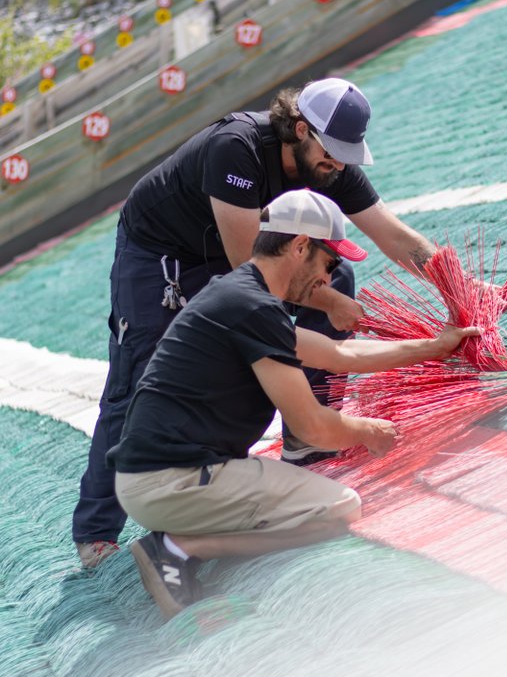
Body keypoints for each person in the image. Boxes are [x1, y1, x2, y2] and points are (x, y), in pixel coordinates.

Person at [73, 76, 450, 568]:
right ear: (299, 129)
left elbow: (393, 236)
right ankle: (96, 533)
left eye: (347, 154)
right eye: (332, 151)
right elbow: (245, 272)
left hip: (239, 252)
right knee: (139, 374)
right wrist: (326, 307)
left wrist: (457, 286)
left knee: (338, 274)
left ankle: (304, 439)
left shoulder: (329, 165)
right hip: (161, 254)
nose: (338, 164)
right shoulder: (237, 148)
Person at [108, 190, 479, 619]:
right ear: (301, 245)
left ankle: (179, 537)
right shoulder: (252, 307)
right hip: (174, 483)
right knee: (339, 510)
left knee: (319, 504)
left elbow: (338, 355)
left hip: (155, 480)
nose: (328, 278)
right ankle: (177, 547)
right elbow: (313, 427)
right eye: (328, 263)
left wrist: (435, 348)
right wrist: (368, 431)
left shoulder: (236, 295)